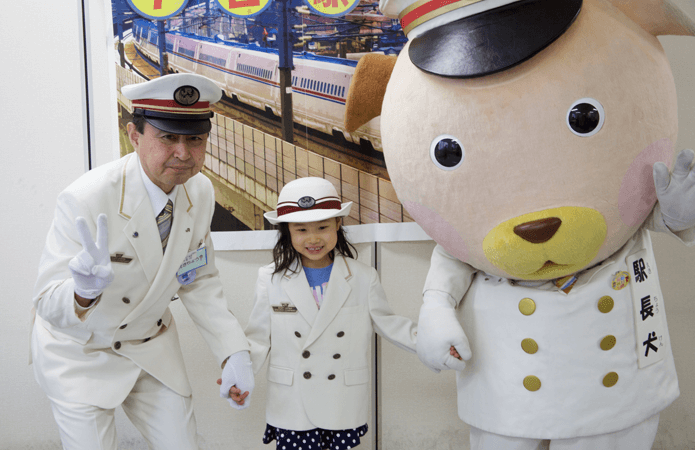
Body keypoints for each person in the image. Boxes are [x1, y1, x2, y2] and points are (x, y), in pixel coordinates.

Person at [31, 73, 254, 450]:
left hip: (149, 345)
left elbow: (197, 278)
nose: (183, 153)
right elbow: (47, 300)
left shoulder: (199, 190)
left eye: (195, 139)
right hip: (82, 351)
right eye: (167, 137)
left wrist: (234, 350)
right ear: (135, 136)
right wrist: (82, 294)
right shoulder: (85, 198)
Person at [238, 177, 418, 449]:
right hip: (292, 399)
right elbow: (258, 339)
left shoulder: (362, 277)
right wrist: (239, 375)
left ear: (337, 224)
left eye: (322, 227)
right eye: (301, 229)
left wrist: (434, 343)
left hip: (341, 398)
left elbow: (389, 324)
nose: (313, 238)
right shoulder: (270, 278)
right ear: (288, 231)